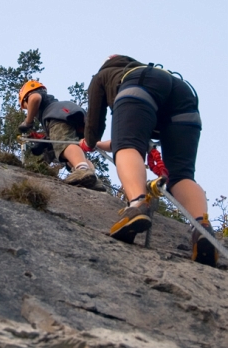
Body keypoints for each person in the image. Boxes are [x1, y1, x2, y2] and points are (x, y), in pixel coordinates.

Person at [81, 55, 217, 266]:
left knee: (127, 147)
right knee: (181, 175)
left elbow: (97, 125)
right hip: (183, 95)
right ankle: (202, 227)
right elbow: (132, 132)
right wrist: (100, 144)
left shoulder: (105, 74)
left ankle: (137, 205)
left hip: (140, 87)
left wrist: (89, 142)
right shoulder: (145, 69)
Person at [18, 80, 105, 191]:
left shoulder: (36, 95)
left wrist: (28, 122)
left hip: (60, 115)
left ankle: (82, 170)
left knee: (65, 144)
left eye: (26, 106)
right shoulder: (50, 103)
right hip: (74, 116)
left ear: (26, 95)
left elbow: (35, 99)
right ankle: (93, 178)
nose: (29, 110)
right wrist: (43, 140)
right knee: (73, 156)